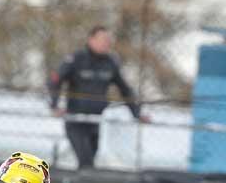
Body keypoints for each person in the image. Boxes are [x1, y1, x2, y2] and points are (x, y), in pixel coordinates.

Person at [48, 25, 150, 169]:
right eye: (102, 39)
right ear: (91, 40)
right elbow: (55, 81)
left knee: (89, 161)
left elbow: (125, 90)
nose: (106, 43)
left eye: (108, 40)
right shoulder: (76, 59)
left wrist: (137, 113)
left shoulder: (110, 62)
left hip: (96, 120)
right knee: (86, 162)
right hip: (76, 120)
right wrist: (54, 105)